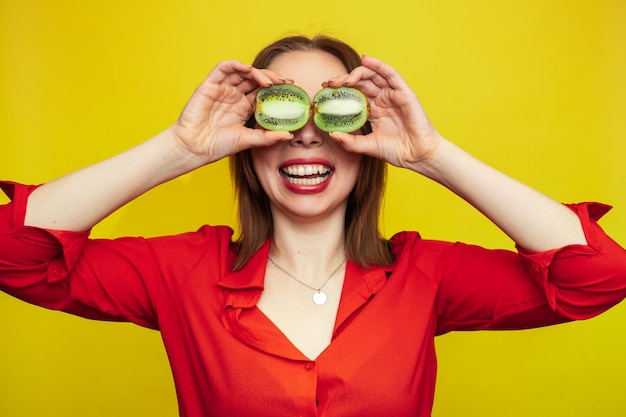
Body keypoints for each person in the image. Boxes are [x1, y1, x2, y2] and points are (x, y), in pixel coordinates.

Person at [1, 34, 626, 417]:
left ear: (363, 136)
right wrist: (181, 148)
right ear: (249, 140)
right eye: (281, 111)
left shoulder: (424, 274)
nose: (304, 134)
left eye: (331, 109)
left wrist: (431, 154)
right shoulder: (181, 272)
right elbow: (14, 254)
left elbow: (596, 277)